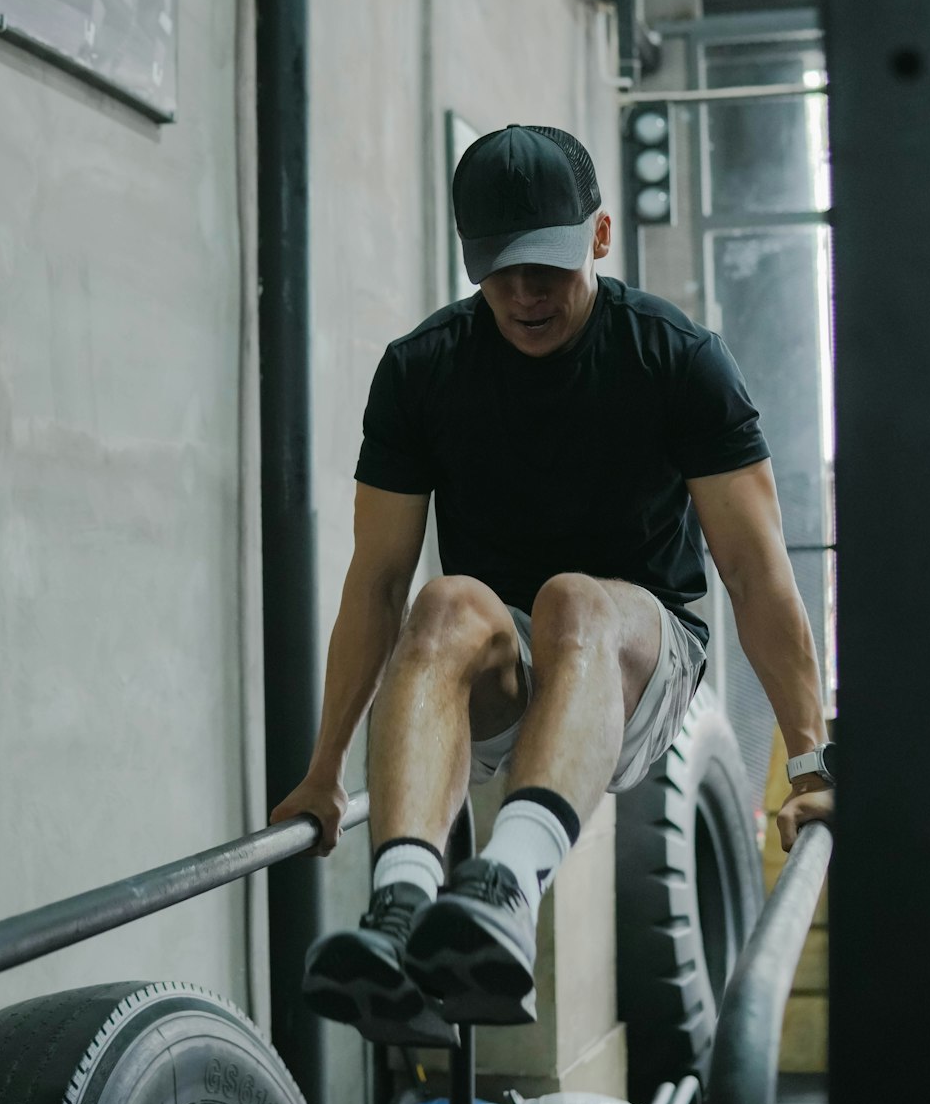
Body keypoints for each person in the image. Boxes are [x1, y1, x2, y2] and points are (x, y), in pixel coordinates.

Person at [270, 123, 834, 1049]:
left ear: (599, 240)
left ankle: (504, 888)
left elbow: (756, 572)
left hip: (638, 665)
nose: (526, 294)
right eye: (500, 272)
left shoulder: (678, 358)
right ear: (469, 261)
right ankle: (403, 906)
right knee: (443, 601)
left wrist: (810, 763)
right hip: (501, 674)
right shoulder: (421, 371)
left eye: (549, 268)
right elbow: (374, 585)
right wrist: (323, 772)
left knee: (577, 597)